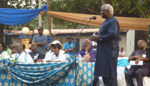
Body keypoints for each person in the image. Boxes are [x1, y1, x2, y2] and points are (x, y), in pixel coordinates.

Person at [91, 4, 120, 86]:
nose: (100, 12)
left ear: (107, 11)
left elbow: (112, 35)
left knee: (110, 76)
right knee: (105, 76)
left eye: (101, 11)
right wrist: (96, 38)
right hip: (103, 53)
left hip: (109, 53)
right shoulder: (106, 21)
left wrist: (99, 38)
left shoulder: (113, 21)